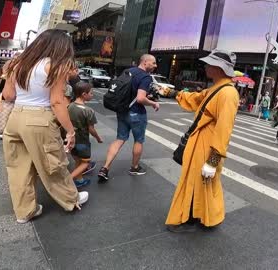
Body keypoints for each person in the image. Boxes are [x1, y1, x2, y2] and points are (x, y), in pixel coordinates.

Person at [2, 30, 89, 224]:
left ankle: (25, 212)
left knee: (17, 167)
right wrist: (71, 131)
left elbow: (8, 95)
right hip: (39, 120)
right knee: (53, 164)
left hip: (15, 118)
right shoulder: (55, 66)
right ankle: (70, 199)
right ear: (60, 47)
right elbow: (57, 102)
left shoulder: (18, 63)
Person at [166, 50, 239, 232]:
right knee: (200, 182)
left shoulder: (228, 93)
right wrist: (173, 92)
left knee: (196, 182)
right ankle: (203, 217)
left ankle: (188, 219)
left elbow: (224, 130)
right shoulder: (216, 88)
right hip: (200, 142)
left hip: (208, 146)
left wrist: (213, 161)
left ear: (219, 68)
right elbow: (195, 99)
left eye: (209, 64)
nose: (205, 67)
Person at [97, 54, 160, 182]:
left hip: (122, 111)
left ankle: (105, 168)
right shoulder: (145, 77)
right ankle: (134, 168)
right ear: (145, 62)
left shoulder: (127, 71)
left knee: (120, 139)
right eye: (153, 63)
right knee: (139, 140)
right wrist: (153, 103)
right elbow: (141, 98)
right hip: (136, 113)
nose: (155, 65)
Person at [68, 82, 103, 188]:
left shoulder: (70, 106)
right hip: (82, 140)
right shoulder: (88, 111)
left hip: (71, 139)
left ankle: (79, 180)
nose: (92, 95)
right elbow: (91, 129)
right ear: (84, 94)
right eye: (91, 93)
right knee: (85, 163)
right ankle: (67, 180)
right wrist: (98, 138)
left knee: (78, 160)